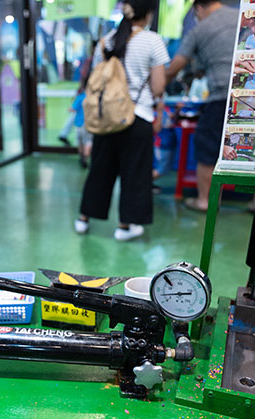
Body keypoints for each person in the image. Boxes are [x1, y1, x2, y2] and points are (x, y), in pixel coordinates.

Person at [74, 0, 169, 241]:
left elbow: (96, 80)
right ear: (147, 14)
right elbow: (158, 87)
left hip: (107, 117)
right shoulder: (153, 41)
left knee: (100, 169)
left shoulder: (106, 41)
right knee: (134, 172)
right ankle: (125, 227)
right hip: (138, 116)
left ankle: (84, 219)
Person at [164, 0, 237, 212]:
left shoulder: (199, 29)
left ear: (198, 8)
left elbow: (175, 67)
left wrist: (158, 87)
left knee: (207, 147)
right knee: (253, 149)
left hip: (221, 96)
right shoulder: (242, 18)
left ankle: (204, 200)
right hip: (252, 95)